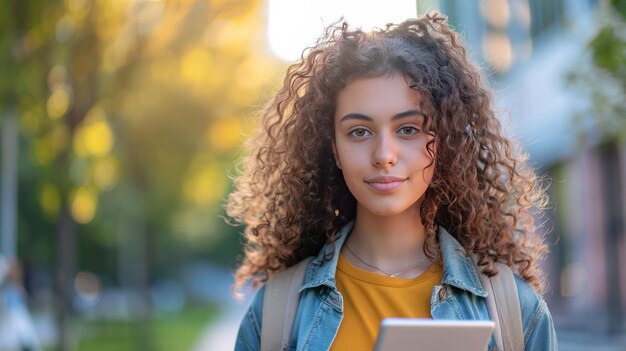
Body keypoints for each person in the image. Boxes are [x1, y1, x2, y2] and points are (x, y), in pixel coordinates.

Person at [227, 11, 558, 351]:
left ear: (444, 142)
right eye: (359, 132)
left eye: (408, 129)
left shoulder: (514, 311)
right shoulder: (276, 311)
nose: (384, 154)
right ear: (335, 150)